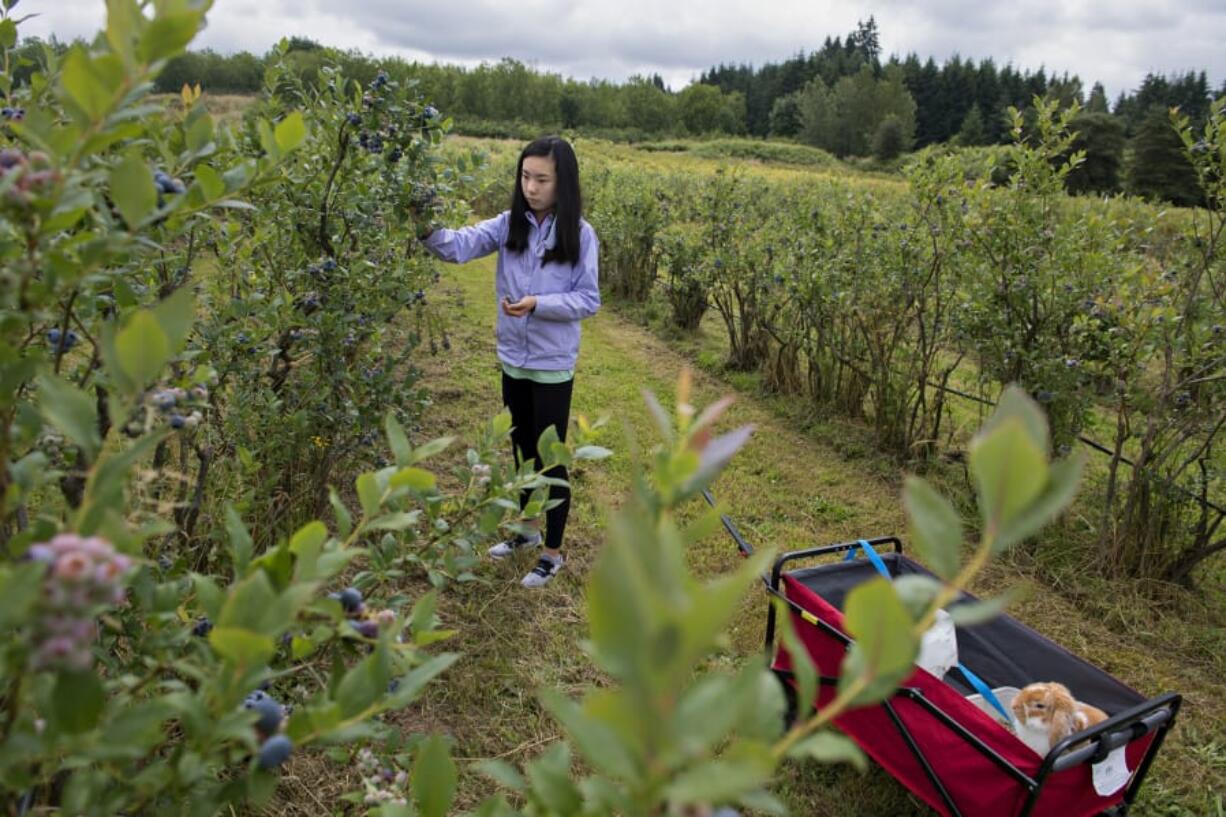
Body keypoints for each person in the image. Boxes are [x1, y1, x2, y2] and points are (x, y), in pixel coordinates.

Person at [415, 135, 600, 588]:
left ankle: (552, 553)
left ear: (563, 183)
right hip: (513, 358)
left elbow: (588, 299)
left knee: (550, 458)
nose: (531, 187)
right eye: (525, 177)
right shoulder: (507, 224)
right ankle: (526, 532)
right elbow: (458, 245)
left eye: (542, 179)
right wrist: (421, 223)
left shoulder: (580, 234)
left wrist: (539, 302)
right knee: (521, 450)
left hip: (552, 363)